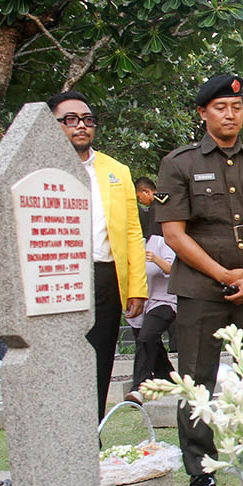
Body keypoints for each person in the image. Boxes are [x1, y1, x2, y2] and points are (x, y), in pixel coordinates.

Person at [156, 74, 243, 486]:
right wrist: (223, 275)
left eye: (237, 107)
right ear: (203, 113)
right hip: (201, 289)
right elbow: (174, 233)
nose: (231, 114)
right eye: (221, 108)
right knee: (197, 378)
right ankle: (201, 464)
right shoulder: (179, 163)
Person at [47, 91, 147, 421]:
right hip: (57, 276)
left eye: (88, 120)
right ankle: (62, 429)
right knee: (58, 359)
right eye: (71, 120)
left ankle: (93, 435)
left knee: (101, 356)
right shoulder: (40, 168)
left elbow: (133, 231)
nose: (81, 127)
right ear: (54, 125)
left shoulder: (115, 170)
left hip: (103, 275)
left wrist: (136, 287)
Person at [124, 228, 176, 404]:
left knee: (146, 338)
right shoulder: (126, 246)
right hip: (140, 302)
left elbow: (173, 270)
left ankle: (139, 387)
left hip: (164, 300)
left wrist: (155, 258)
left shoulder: (160, 242)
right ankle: (170, 380)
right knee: (151, 343)